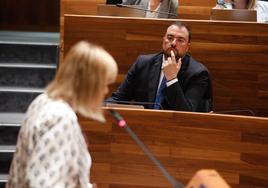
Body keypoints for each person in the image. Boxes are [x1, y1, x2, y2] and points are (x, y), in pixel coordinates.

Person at [6, 41, 118, 188]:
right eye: (104, 84)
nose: (105, 91)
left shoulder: (43, 100)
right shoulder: (61, 118)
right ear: (89, 83)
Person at [107, 22, 212, 112]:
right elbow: (118, 99)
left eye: (180, 40)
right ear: (163, 40)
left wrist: (172, 80)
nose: (173, 43)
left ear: (188, 46)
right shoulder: (143, 63)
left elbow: (187, 114)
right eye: (170, 38)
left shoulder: (198, 73)